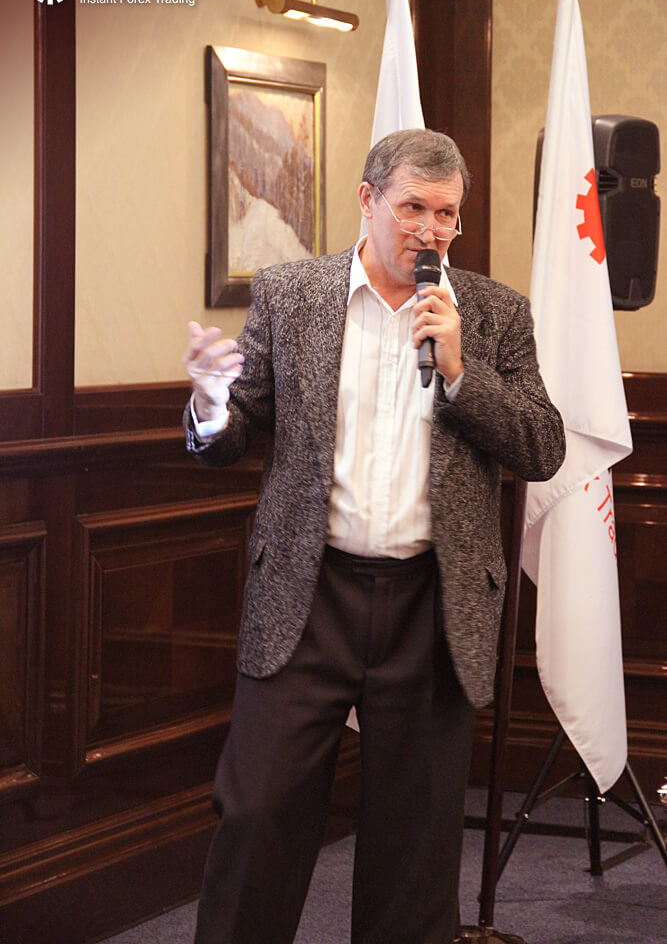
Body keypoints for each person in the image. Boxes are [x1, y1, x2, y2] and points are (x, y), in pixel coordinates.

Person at [182, 128, 565, 944]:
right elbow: (236, 428)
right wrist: (211, 404)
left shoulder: (493, 313)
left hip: (432, 604)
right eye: (412, 208)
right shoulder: (291, 295)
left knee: (413, 845)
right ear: (367, 200)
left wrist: (459, 372)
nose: (430, 230)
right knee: (257, 815)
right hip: (307, 594)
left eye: (446, 214)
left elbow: (542, 446)